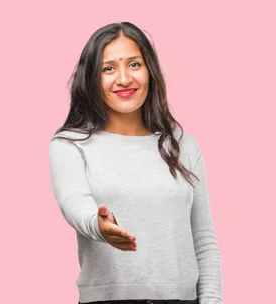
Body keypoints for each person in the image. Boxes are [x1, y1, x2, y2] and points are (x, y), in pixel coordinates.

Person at [48, 22, 222, 304]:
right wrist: (98, 224)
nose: (124, 79)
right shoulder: (70, 144)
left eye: (134, 64)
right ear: (91, 78)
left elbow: (202, 239)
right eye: (109, 68)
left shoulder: (183, 145)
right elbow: (73, 202)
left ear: (150, 71)